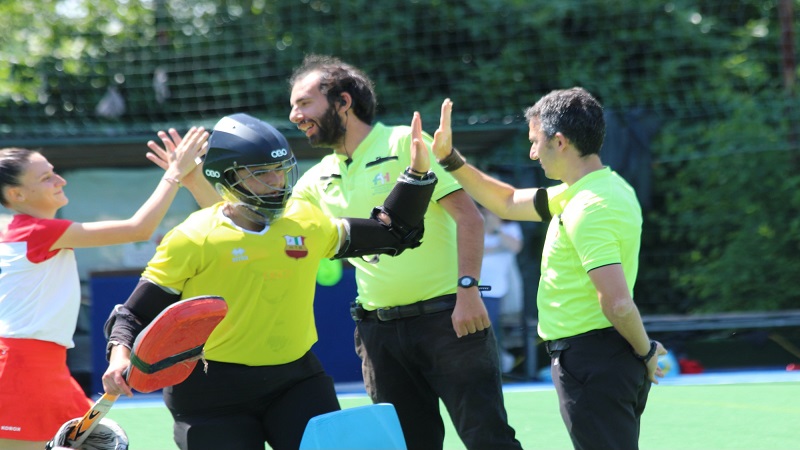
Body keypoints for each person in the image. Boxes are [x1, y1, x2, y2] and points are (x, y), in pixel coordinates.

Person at [101, 112, 439, 450]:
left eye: (282, 169)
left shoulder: (306, 221)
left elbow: (393, 234)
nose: (278, 181)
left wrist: (417, 175)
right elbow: (132, 315)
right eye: (264, 174)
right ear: (229, 178)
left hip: (296, 380)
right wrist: (119, 357)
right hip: (209, 392)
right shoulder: (192, 237)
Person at [288, 54, 521, 450]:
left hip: (449, 320)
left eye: (304, 103)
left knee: (489, 439)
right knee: (405, 445)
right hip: (378, 334)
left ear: (344, 102)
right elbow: (278, 235)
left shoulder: (404, 142)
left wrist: (467, 292)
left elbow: (471, 219)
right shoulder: (315, 177)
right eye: (293, 105)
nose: (294, 115)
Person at [428, 90, 668, 450]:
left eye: (535, 142)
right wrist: (449, 158)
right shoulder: (593, 189)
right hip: (598, 357)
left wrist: (646, 352)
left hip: (593, 360)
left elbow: (616, 302)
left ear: (560, 141)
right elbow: (506, 201)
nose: (532, 152)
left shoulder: (589, 206)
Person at [0, 128, 207, 450]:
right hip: (23, 366)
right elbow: (140, 228)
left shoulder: (19, 232)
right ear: (17, 195)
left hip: (43, 364)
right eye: (46, 178)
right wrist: (175, 174)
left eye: (54, 172)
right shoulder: (37, 231)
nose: (60, 180)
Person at [478, 204, 525, 373]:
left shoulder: (510, 227)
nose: (488, 213)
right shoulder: (475, 225)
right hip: (471, 289)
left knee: (489, 331)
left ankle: (493, 368)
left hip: (495, 291)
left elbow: (515, 247)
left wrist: (496, 228)